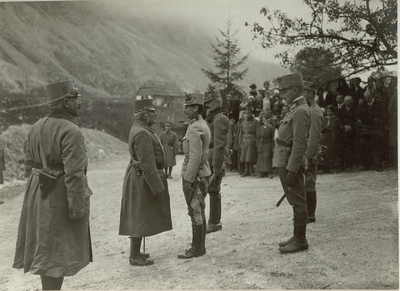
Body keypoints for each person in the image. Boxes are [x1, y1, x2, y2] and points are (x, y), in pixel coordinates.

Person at [13, 80, 92, 290]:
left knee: (45, 248)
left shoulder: (36, 126)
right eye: (76, 99)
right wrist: (77, 207)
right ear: (66, 102)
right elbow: (75, 174)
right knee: (57, 252)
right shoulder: (71, 131)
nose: (80, 103)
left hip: (37, 191)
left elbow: (28, 164)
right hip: (59, 194)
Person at [119, 98, 172, 266]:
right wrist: (158, 188)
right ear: (143, 115)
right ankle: (134, 256)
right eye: (151, 111)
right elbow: (147, 164)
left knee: (139, 214)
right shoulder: (142, 132)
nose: (155, 113)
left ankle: (136, 253)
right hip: (142, 179)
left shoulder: (140, 128)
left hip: (138, 177)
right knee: (139, 215)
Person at [272, 72, 311, 254]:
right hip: (285, 159)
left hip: (290, 161)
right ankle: (297, 236)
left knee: (297, 200)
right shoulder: (295, 109)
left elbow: (300, 143)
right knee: (294, 199)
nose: (283, 94)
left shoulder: (301, 111)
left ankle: (300, 239)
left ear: (295, 90)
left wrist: (291, 169)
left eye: (285, 91)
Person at [178, 92, 211, 258]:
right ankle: (200, 246)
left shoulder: (195, 127)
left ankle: (196, 248)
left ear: (196, 108)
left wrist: (188, 179)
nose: (185, 111)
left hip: (195, 175)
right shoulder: (201, 124)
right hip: (202, 173)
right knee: (199, 209)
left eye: (188, 107)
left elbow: (195, 157)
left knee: (195, 211)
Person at [204, 89, 229, 234]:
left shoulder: (220, 118)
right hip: (210, 155)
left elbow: (220, 144)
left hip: (215, 157)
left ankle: (214, 222)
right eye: (207, 104)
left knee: (213, 189)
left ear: (218, 102)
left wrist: (217, 165)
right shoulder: (213, 118)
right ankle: (214, 221)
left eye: (210, 103)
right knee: (211, 189)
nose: (208, 106)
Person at [303, 81, 324, 223]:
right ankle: (306, 213)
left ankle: (310, 215)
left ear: (310, 94)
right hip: (303, 151)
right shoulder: (306, 109)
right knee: (304, 183)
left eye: (303, 91)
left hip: (309, 152)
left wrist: (309, 155)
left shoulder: (315, 112)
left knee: (309, 183)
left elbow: (314, 137)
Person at [321, 105, 343, 173]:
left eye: (330, 111)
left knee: (331, 152)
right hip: (325, 138)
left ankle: (333, 167)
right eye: (327, 111)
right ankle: (325, 168)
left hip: (332, 137)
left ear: (333, 112)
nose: (328, 113)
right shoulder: (324, 119)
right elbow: (321, 127)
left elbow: (340, 128)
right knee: (324, 152)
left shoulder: (336, 119)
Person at [239, 107, 260, 177]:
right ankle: (246, 171)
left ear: (251, 114)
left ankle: (251, 171)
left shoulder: (256, 122)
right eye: (245, 113)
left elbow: (258, 133)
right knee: (244, 156)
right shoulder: (243, 122)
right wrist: (240, 142)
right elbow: (240, 133)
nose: (246, 115)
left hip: (252, 140)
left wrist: (257, 142)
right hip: (244, 140)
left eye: (248, 113)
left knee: (250, 157)